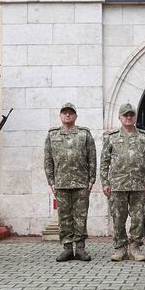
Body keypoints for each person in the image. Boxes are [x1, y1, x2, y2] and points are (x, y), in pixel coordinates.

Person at [101, 103, 145, 262]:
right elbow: (104, 162)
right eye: (125, 115)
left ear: (135, 117)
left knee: (138, 218)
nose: (129, 117)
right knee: (118, 218)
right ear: (120, 117)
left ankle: (135, 247)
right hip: (118, 185)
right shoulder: (112, 138)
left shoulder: (143, 137)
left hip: (139, 185)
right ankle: (120, 248)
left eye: (131, 115)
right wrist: (105, 182)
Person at [44, 102, 96, 262]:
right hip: (61, 183)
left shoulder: (84, 134)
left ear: (75, 116)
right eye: (65, 113)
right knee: (64, 217)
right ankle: (67, 248)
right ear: (60, 116)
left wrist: (91, 179)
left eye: (70, 113)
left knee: (80, 216)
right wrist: (51, 181)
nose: (67, 115)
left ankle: (80, 249)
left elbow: (92, 157)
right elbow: (48, 160)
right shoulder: (52, 135)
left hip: (81, 183)